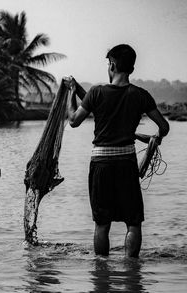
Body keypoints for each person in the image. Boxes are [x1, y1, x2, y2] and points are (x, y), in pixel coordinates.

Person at [66, 44, 169, 257]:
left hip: (101, 165)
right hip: (126, 165)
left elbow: (74, 120)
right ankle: (132, 274)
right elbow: (164, 127)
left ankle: (101, 274)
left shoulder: (96, 92)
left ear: (112, 65)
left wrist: (71, 93)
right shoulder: (140, 95)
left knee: (102, 224)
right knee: (133, 223)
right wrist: (153, 142)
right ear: (130, 69)